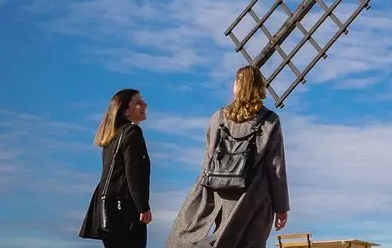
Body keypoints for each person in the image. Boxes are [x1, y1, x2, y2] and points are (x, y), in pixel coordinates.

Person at [166, 66, 290, 248]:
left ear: (238, 86)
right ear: (259, 87)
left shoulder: (218, 117)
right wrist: (281, 207)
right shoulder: (270, 121)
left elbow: (209, 159)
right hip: (253, 196)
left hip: (218, 192)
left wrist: (199, 196)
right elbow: (276, 167)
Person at [80, 89, 153, 247]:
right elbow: (134, 173)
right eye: (138, 102)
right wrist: (143, 207)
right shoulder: (132, 132)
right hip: (125, 211)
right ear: (125, 110)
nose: (145, 105)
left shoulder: (112, 138)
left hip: (106, 210)